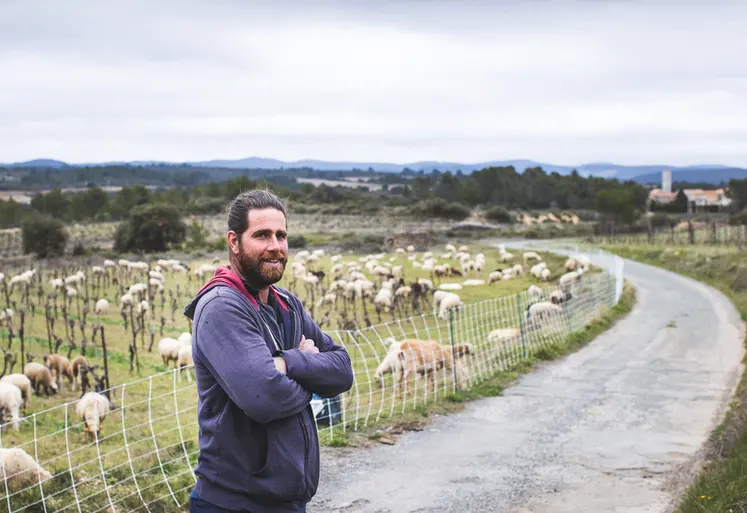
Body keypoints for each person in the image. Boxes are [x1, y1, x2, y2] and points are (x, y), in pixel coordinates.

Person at [183, 189, 355, 513]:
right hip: (234, 503)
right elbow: (264, 397)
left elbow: (343, 370)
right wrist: (312, 372)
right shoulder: (222, 307)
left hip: (286, 501)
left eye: (281, 235)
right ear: (234, 242)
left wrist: (289, 362)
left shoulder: (287, 304)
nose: (275, 246)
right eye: (262, 235)